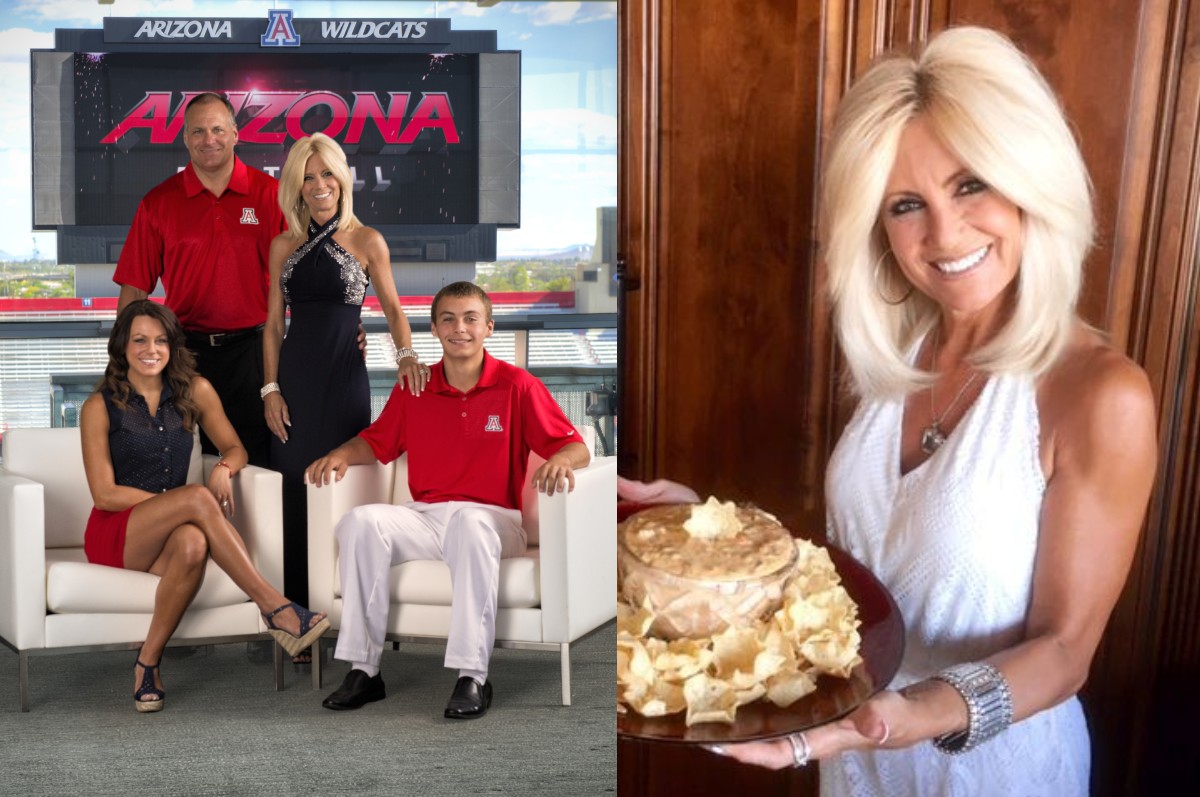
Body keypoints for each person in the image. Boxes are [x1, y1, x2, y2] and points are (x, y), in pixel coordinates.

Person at [619, 26, 1157, 796]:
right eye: (908, 204)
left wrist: (902, 714)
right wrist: (711, 536)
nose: (944, 234)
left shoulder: (1100, 393)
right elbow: (855, 575)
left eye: (971, 183)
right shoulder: (896, 365)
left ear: (1029, 176)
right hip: (856, 763)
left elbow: (1066, 650)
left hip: (989, 773)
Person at [305, 281, 591, 719]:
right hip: (427, 518)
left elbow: (575, 447)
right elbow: (377, 443)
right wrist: (342, 453)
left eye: (471, 318)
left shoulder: (518, 385)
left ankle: (471, 675)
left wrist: (562, 462)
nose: (460, 328)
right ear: (435, 329)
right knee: (361, 522)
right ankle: (364, 670)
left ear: (489, 327)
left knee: (470, 524)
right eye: (449, 319)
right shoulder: (414, 388)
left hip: (494, 521)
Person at [80, 300, 330, 713]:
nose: (151, 349)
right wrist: (178, 503)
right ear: (122, 345)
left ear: (172, 345)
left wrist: (224, 468)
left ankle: (147, 664)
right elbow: (104, 494)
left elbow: (235, 447)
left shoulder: (196, 390)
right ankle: (276, 609)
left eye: (160, 340)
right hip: (119, 535)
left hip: (176, 534)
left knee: (194, 542)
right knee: (195, 502)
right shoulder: (99, 406)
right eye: (139, 340)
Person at [262, 133, 425, 637]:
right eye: (307, 177)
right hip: (293, 384)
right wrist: (270, 389)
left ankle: (352, 614)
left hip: (345, 381)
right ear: (295, 185)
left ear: (342, 179)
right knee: (291, 492)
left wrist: (406, 356)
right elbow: (272, 324)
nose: (318, 185)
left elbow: (394, 309)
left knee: (343, 492)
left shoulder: (367, 239)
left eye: (326, 174)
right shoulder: (282, 245)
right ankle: (297, 619)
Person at [113, 92, 285, 468]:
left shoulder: (271, 196)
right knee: (185, 460)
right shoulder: (158, 203)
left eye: (218, 129)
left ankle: (257, 530)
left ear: (236, 134)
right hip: (185, 353)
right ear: (186, 138)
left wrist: (343, 324)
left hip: (255, 352)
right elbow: (134, 288)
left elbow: (300, 277)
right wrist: (119, 361)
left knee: (259, 460)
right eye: (198, 131)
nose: (209, 139)